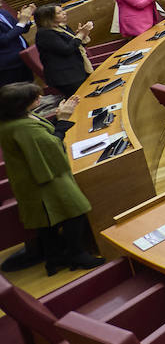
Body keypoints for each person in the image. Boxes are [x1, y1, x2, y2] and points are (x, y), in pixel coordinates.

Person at [0, 84, 103, 275]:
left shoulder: (14, 119)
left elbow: (44, 140)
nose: (40, 99)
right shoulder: (23, 127)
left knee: (48, 220)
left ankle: (54, 257)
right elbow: (52, 147)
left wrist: (58, 118)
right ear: (21, 104)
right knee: (75, 210)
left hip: (32, 175)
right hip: (42, 177)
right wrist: (63, 119)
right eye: (35, 98)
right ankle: (76, 254)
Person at [34, 5, 93, 98]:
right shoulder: (45, 34)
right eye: (59, 13)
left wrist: (82, 35)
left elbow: (76, 45)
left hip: (77, 69)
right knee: (81, 100)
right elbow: (67, 49)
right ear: (48, 17)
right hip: (66, 77)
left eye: (62, 10)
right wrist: (80, 35)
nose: (64, 13)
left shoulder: (61, 27)